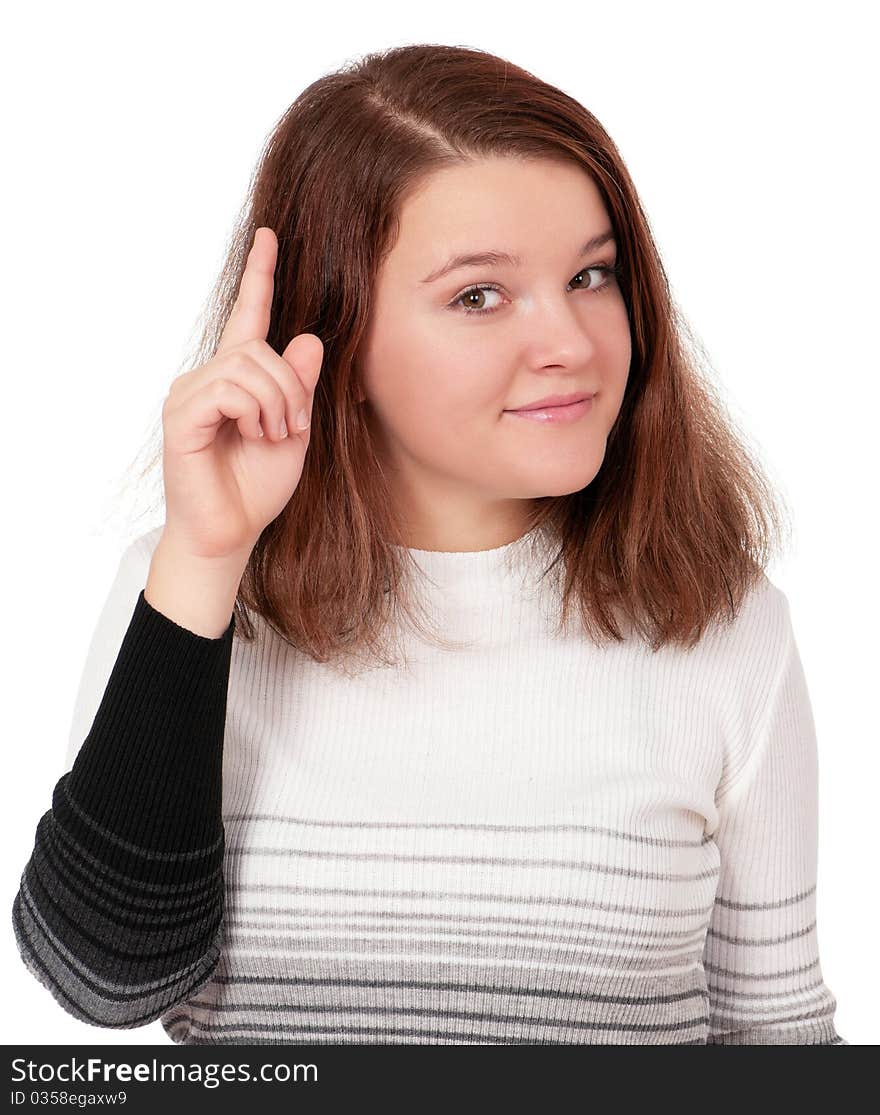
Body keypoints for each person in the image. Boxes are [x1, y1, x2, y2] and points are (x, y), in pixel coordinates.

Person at [12, 42, 848, 1045]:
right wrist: (205, 555)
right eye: (479, 295)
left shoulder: (721, 624)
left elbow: (778, 1037)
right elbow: (104, 984)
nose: (573, 343)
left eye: (591, 274)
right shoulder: (196, 586)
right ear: (337, 334)